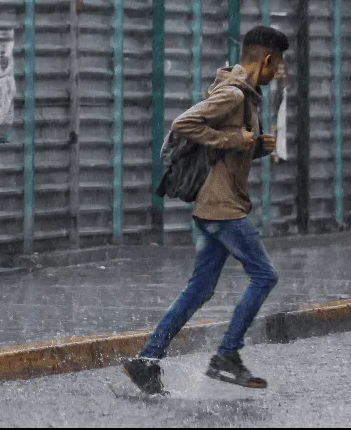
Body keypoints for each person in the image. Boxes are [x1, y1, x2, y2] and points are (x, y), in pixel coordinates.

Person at [124, 25, 289, 393]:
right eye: (277, 65)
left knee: (199, 290)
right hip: (223, 208)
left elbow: (229, 151)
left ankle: (147, 360)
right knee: (265, 276)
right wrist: (234, 137)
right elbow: (184, 124)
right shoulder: (233, 94)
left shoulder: (246, 95)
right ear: (265, 60)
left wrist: (256, 145)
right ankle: (227, 355)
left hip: (214, 206)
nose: (278, 72)